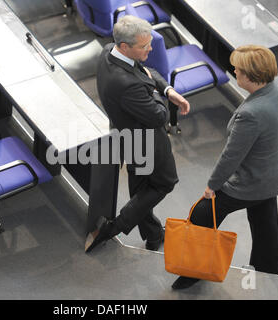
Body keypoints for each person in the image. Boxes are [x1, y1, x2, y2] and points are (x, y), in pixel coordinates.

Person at [172, 45, 278, 289]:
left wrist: (212, 186)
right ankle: (268, 269)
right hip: (277, 171)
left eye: (237, 70)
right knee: (264, 217)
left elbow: (231, 157)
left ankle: (195, 271)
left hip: (253, 180)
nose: (234, 71)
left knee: (203, 213)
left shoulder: (251, 113)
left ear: (250, 76)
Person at [85, 15, 190, 253]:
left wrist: (168, 89)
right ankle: (114, 227)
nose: (150, 48)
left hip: (127, 136)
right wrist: (157, 93)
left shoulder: (109, 51)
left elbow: (146, 72)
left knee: (141, 187)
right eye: (144, 46)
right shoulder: (125, 84)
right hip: (147, 142)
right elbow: (159, 116)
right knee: (165, 183)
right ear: (125, 46)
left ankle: (153, 234)